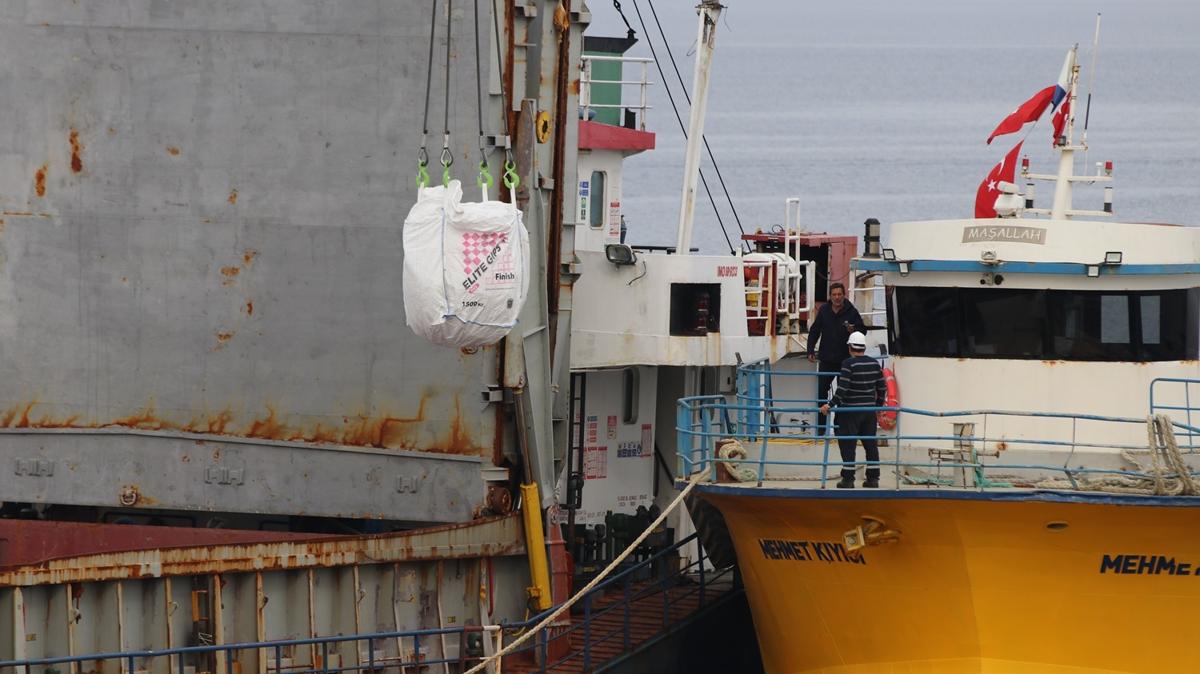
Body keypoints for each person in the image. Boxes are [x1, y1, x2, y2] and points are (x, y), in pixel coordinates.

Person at [819, 332, 886, 489]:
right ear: (864, 347)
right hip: (869, 411)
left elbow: (842, 389)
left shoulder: (848, 364)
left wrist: (829, 405)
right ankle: (873, 478)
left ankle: (848, 480)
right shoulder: (874, 363)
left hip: (850, 411)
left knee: (848, 444)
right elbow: (882, 387)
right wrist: (877, 406)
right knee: (870, 444)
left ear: (850, 347)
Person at [806, 283, 865, 433]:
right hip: (826, 359)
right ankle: (820, 430)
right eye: (834, 294)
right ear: (830, 296)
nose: (837, 297)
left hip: (844, 361)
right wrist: (810, 350)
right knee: (821, 393)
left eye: (839, 294)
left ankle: (839, 429)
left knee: (843, 395)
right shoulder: (824, 310)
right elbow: (814, 330)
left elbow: (862, 330)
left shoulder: (851, 311)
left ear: (844, 295)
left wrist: (853, 329)